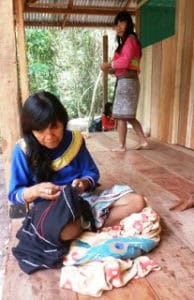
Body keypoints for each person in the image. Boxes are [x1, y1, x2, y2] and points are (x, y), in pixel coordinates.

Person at [8, 90, 146, 273]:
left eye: (54, 126)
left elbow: (91, 173)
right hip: (50, 210)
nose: (49, 135)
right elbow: (14, 194)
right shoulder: (23, 150)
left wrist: (84, 184)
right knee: (66, 230)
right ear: (30, 129)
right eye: (40, 130)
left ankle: (86, 225)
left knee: (137, 201)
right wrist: (35, 191)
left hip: (83, 201)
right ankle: (91, 224)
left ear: (62, 121)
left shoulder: (74, 141)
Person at [100, 11, 148, 152]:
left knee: (121, 115)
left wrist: (109, 65)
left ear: (128, 24)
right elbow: (122, 64)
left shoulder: (130, 40)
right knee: (128, 115)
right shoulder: (128, 42)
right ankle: (143, 140)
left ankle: (121, 145)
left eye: (122, 23)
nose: (119, 27)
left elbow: (125, 61)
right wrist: (111, 69)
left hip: (127, 82)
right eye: (117, 24)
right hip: (128, 81)